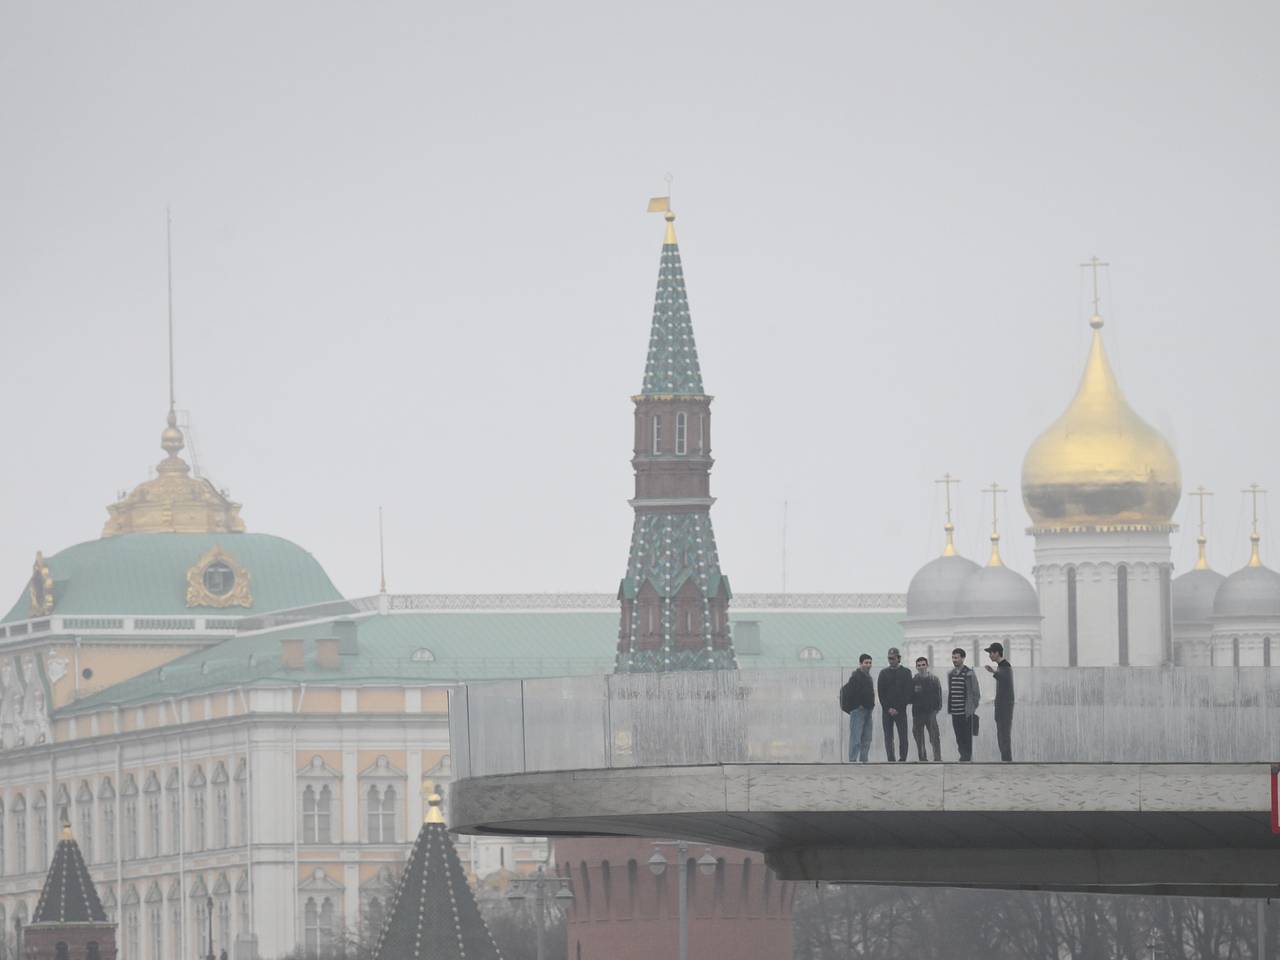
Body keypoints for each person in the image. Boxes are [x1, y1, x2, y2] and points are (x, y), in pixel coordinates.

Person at [877, 647, 912, 762]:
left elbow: (908, 692)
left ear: (898, 658)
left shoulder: (906, 672)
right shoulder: (883, 673)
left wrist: (898, 708)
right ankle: (891, 759)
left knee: (903, 736)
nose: (891, 660)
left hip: (900, 710)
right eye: (889, 658)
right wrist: (888, 708)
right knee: (888, 736)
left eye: (893, 658)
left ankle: (903, 758)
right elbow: (881, 693)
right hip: (887, 711)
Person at [840, 654, 875, 762]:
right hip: (858, 711)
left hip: (868, 711)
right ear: (860, 664)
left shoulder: (869, 677)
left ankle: (864, 760)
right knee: (856, 738)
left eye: (870, 662)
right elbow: (847, 693)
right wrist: (854, 707)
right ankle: (852, 760)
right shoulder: (855, 677)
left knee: (867, 738)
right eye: (866, 662)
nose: (868, 665)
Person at [947, 647, 980, 761]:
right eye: (953, 657)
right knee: (958, 737)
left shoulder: (969, 673)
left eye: (956, 657)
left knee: (967, 737)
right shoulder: (950, 674)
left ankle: (967, 757)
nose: (954, 660)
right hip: (955, 712)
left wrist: (971, 708)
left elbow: (976, 693)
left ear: (963, 658)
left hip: (965, 713)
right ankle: (963, 756)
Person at [984, 642, 1014, 761]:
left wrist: (994, 672)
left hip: (1005, 707)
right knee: (1002, 734)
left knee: (1004, 734)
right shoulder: (1002, 666)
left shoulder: (1005, 665)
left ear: (997, 653)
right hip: (1002, 705)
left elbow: (1005, 680)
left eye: (991, 653)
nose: (990, 655)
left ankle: (1006, 760)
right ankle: (1005, 759)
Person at [910, 656, 942, 761]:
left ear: (927, 665)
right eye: (919, 665)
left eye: (923, 665)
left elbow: (939, 695)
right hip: (918, 714)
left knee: (934, 737)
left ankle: (937, 758)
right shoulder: (914, 680)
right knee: (919, 738)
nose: (921, 667)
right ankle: (923, 759)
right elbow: (910, 697)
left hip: (931, 713)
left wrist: (936, 709)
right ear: (916, 667)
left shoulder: (934, 679)